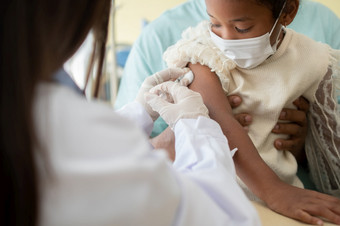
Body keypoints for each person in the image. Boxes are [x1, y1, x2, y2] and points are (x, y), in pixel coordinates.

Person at [0, 1, 262, 226]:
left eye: (241, 28)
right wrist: (197, 129)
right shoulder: (159, 36)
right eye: (215, 24)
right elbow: (226, 217)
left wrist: (139, 113)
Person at [162, 0, 340, 224]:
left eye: (242, 28)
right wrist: (274, 191)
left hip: (287, 197)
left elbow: (329, 140)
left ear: (288, 12)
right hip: (212, 199)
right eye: (214, 23)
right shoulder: (202, 54)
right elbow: (219, 122)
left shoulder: (313, 59)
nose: (225, 38)